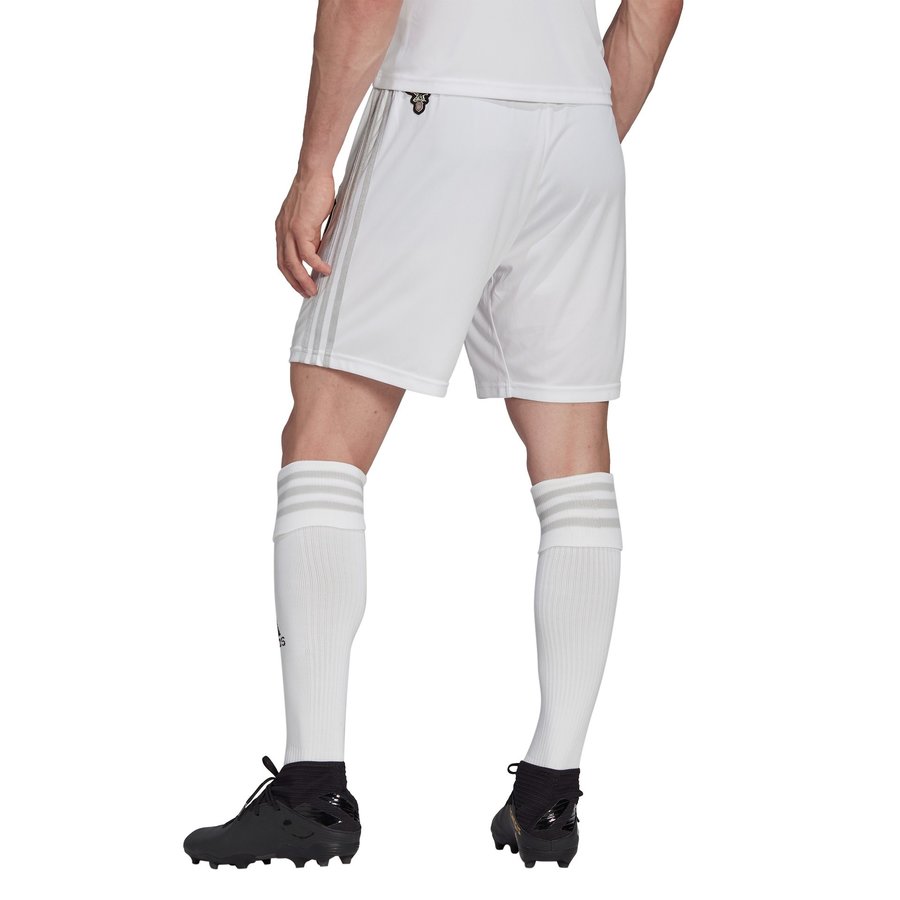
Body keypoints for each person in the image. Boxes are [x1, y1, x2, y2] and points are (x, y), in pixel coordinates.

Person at [184, 0, 682, 870]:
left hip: (440, 104)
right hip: (582, 125)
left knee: (325, 440)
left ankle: (311, 792)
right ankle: (550, 795)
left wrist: (314, 166)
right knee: (574, 466)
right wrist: (580, 125)